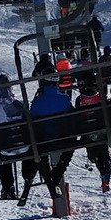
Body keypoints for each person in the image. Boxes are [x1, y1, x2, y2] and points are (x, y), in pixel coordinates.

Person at [29, 64, 76, 207]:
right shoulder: (64, 99)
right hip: (63, 139)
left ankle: (49, 179)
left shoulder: (37, 102)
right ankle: (59, 169)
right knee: (72, 141)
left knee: (38, 149)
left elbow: (32, 117)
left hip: (44, 142)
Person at [0, 74, 35, 201]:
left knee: (2, 153)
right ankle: (28, 177)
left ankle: (8, 188)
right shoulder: (21, 105)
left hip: (6, 151)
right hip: (24, 148)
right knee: (27, 144)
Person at [76, 77, 111, 193]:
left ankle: (100, 164)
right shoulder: (100, 97)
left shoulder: (80, 99)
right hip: (102, 130)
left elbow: (77, 115)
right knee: (101, 147)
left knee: (93, 149)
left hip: (88, 133)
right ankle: (105, 166)